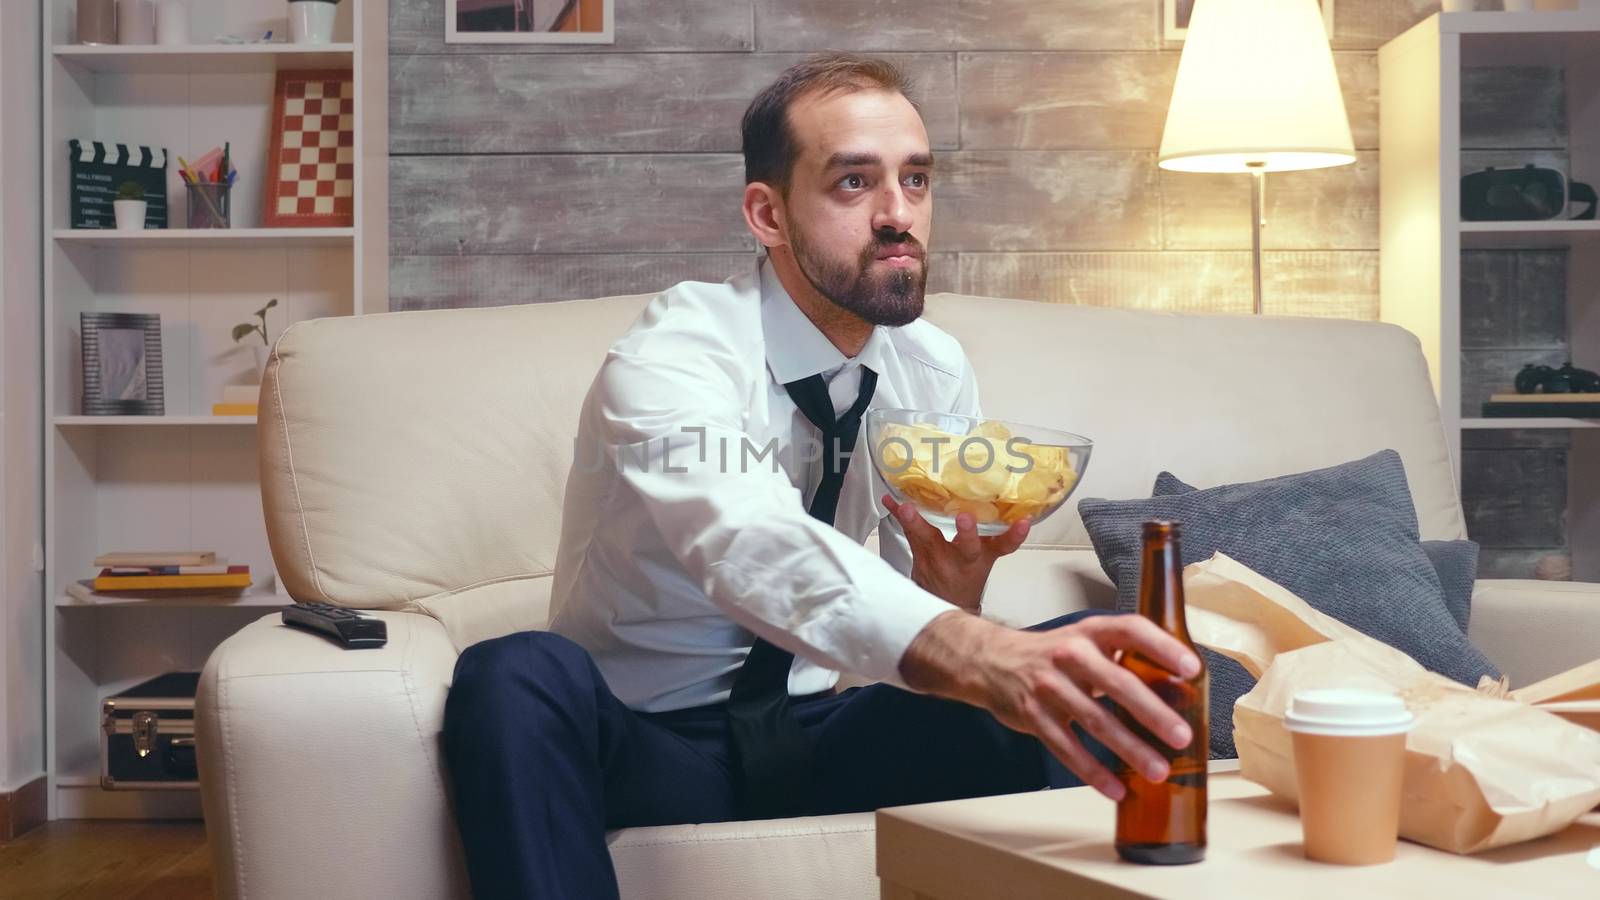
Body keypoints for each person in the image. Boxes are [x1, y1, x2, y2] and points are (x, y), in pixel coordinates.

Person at [442, 53, 1201, 899]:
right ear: (766, 213)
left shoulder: (932, 367)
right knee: (511, 674)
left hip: (825, 731)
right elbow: (743, 537)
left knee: (1091, 665)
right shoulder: (676, 352)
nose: (898, 214)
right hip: (652, 744)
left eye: (916, 180)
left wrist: (960, 603)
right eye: (853, 183)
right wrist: (974, 647)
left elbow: (911, 626)